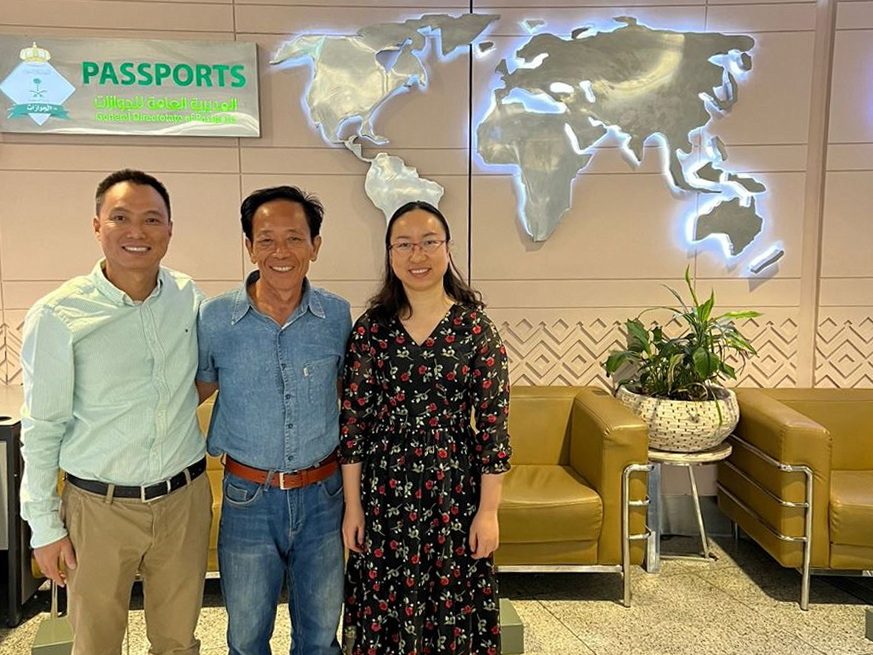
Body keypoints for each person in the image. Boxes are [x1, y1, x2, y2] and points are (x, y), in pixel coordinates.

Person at [19, 169, 212, 655]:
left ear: (170, 229)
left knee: (178, 643)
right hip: (98, 509)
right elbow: (42, 428)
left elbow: (206, 375)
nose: (136, 231)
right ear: (96, 226)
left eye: (152, 219)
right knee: (96, 645)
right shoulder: (59, 315)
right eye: (120, 218)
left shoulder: (189, 297)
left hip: (183, 500)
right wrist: (44, 527)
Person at [340, 200, 512, 655]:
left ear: (448, 249)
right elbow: (353, 425)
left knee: (451, 603)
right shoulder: (371, 330)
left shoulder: (476, 329)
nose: (417, 255)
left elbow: (493, 430)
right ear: (390, 255)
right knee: (387, 602)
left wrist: (488, 512)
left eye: (429, 242)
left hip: (454, 491)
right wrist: (353, 508)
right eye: (404, 244)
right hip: (385, 491)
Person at [196, 186, 351, 655]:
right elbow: (192, 394)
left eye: (294, 238)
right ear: (249, 246)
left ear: (315, 246)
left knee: (320, 638)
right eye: (266, 239)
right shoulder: (215, 319)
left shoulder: (336, 316)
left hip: (324, 496)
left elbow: (350, 400)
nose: (280, 252)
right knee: (246, 638)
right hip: (248, 498)